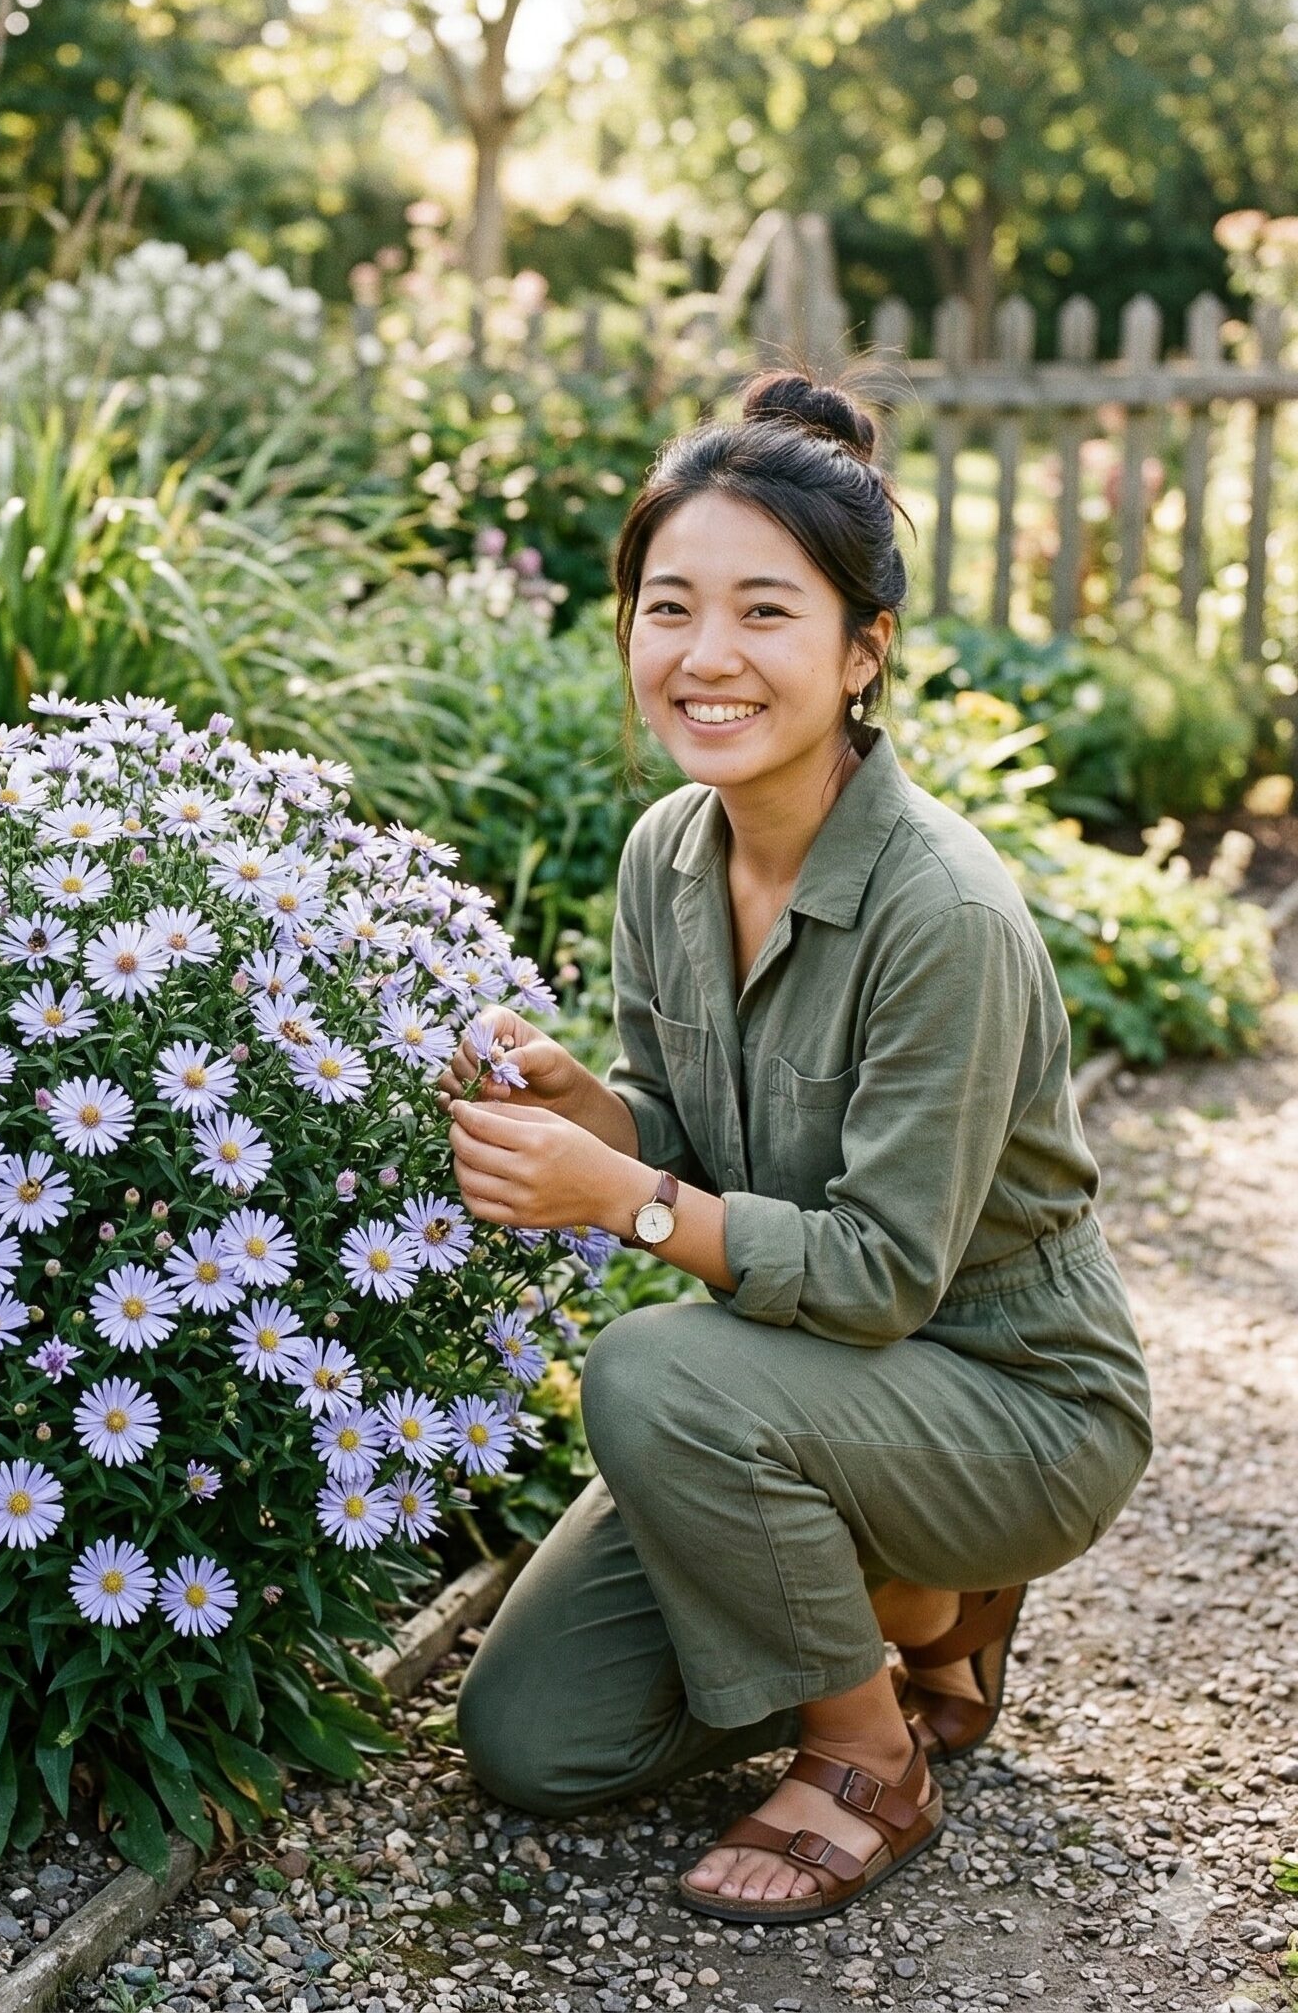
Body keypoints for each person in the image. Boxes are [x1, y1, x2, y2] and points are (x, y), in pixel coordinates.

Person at [439, 368, 1154, 1927]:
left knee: (647, 1376)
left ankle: (866, 1751)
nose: (706, 657)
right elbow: (684, 1134)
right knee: (537, 1743)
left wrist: (621, 1203)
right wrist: (590, 1116)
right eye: (667, 606)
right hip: (797, 1392)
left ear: (862, 651)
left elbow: (885, 1275)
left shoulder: (941, 913)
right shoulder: (666, 856)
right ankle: (922, 1607)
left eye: (765, 614)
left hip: (1012, 1402)